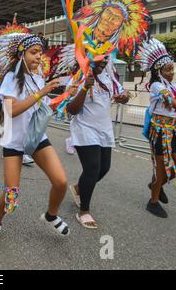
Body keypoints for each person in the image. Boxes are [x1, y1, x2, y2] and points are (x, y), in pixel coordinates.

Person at [0, 34, 71, 242]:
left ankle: (51, 216)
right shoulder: (11, 79)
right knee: (11, 194)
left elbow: (38, 108)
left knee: (61, 182)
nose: (39, 57)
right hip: (14, 141)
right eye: (34, 52)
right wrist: (42, 92)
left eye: (40, 52)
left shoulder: (38, 78)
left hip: (37, 137)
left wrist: (65, 95)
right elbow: (12, 110)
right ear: (21, 54)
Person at [67, 58, 129, 229]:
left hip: (104, 129)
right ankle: (84, 211)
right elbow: (71, 109)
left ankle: (80, 188)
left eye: (105, 59)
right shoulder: (78, 78)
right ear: (89, 58)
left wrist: (124, 97)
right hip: (84, 129)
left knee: (104, 168)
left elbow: (125, 95)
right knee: (92, 168)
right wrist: (86, 87)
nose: (103, 62)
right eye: (99, 60)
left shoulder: (110, 76)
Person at [137, 39, 176, 218]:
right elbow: (174, 103)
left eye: (172, 69)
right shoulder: (157, 86)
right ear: (159, 71)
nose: (171, 73)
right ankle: (153, 202)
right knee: (162, 169)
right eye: (167, 70)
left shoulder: (174, 86)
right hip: (159, 132)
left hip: (172, 132)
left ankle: (156, 185)